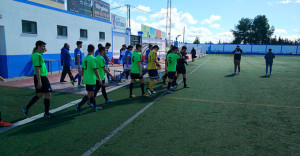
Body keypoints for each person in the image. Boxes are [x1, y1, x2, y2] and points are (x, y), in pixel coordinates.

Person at [22, 41, 54, 118]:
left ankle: (26, 108)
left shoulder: (35, 54)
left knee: (40, 94)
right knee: (48, 94)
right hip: (41, 77)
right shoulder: (38, 56)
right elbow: (37, 68)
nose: (44, 48)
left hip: (38, 77)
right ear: (38, 47)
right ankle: (46, 113)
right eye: (43, 46)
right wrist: (39, 81)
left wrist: (43, 49)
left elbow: (42, 51)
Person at [75, 44, 102, 113]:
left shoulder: (85, 58)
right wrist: (99, 78)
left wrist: (82, 78)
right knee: (90, 94)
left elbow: (83, 70)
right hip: (91, 79)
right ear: (93, 50)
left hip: (86, 79)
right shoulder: (93, 59)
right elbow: (95, 69)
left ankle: (95, 106)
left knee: (91, 94)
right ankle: (78, 106)